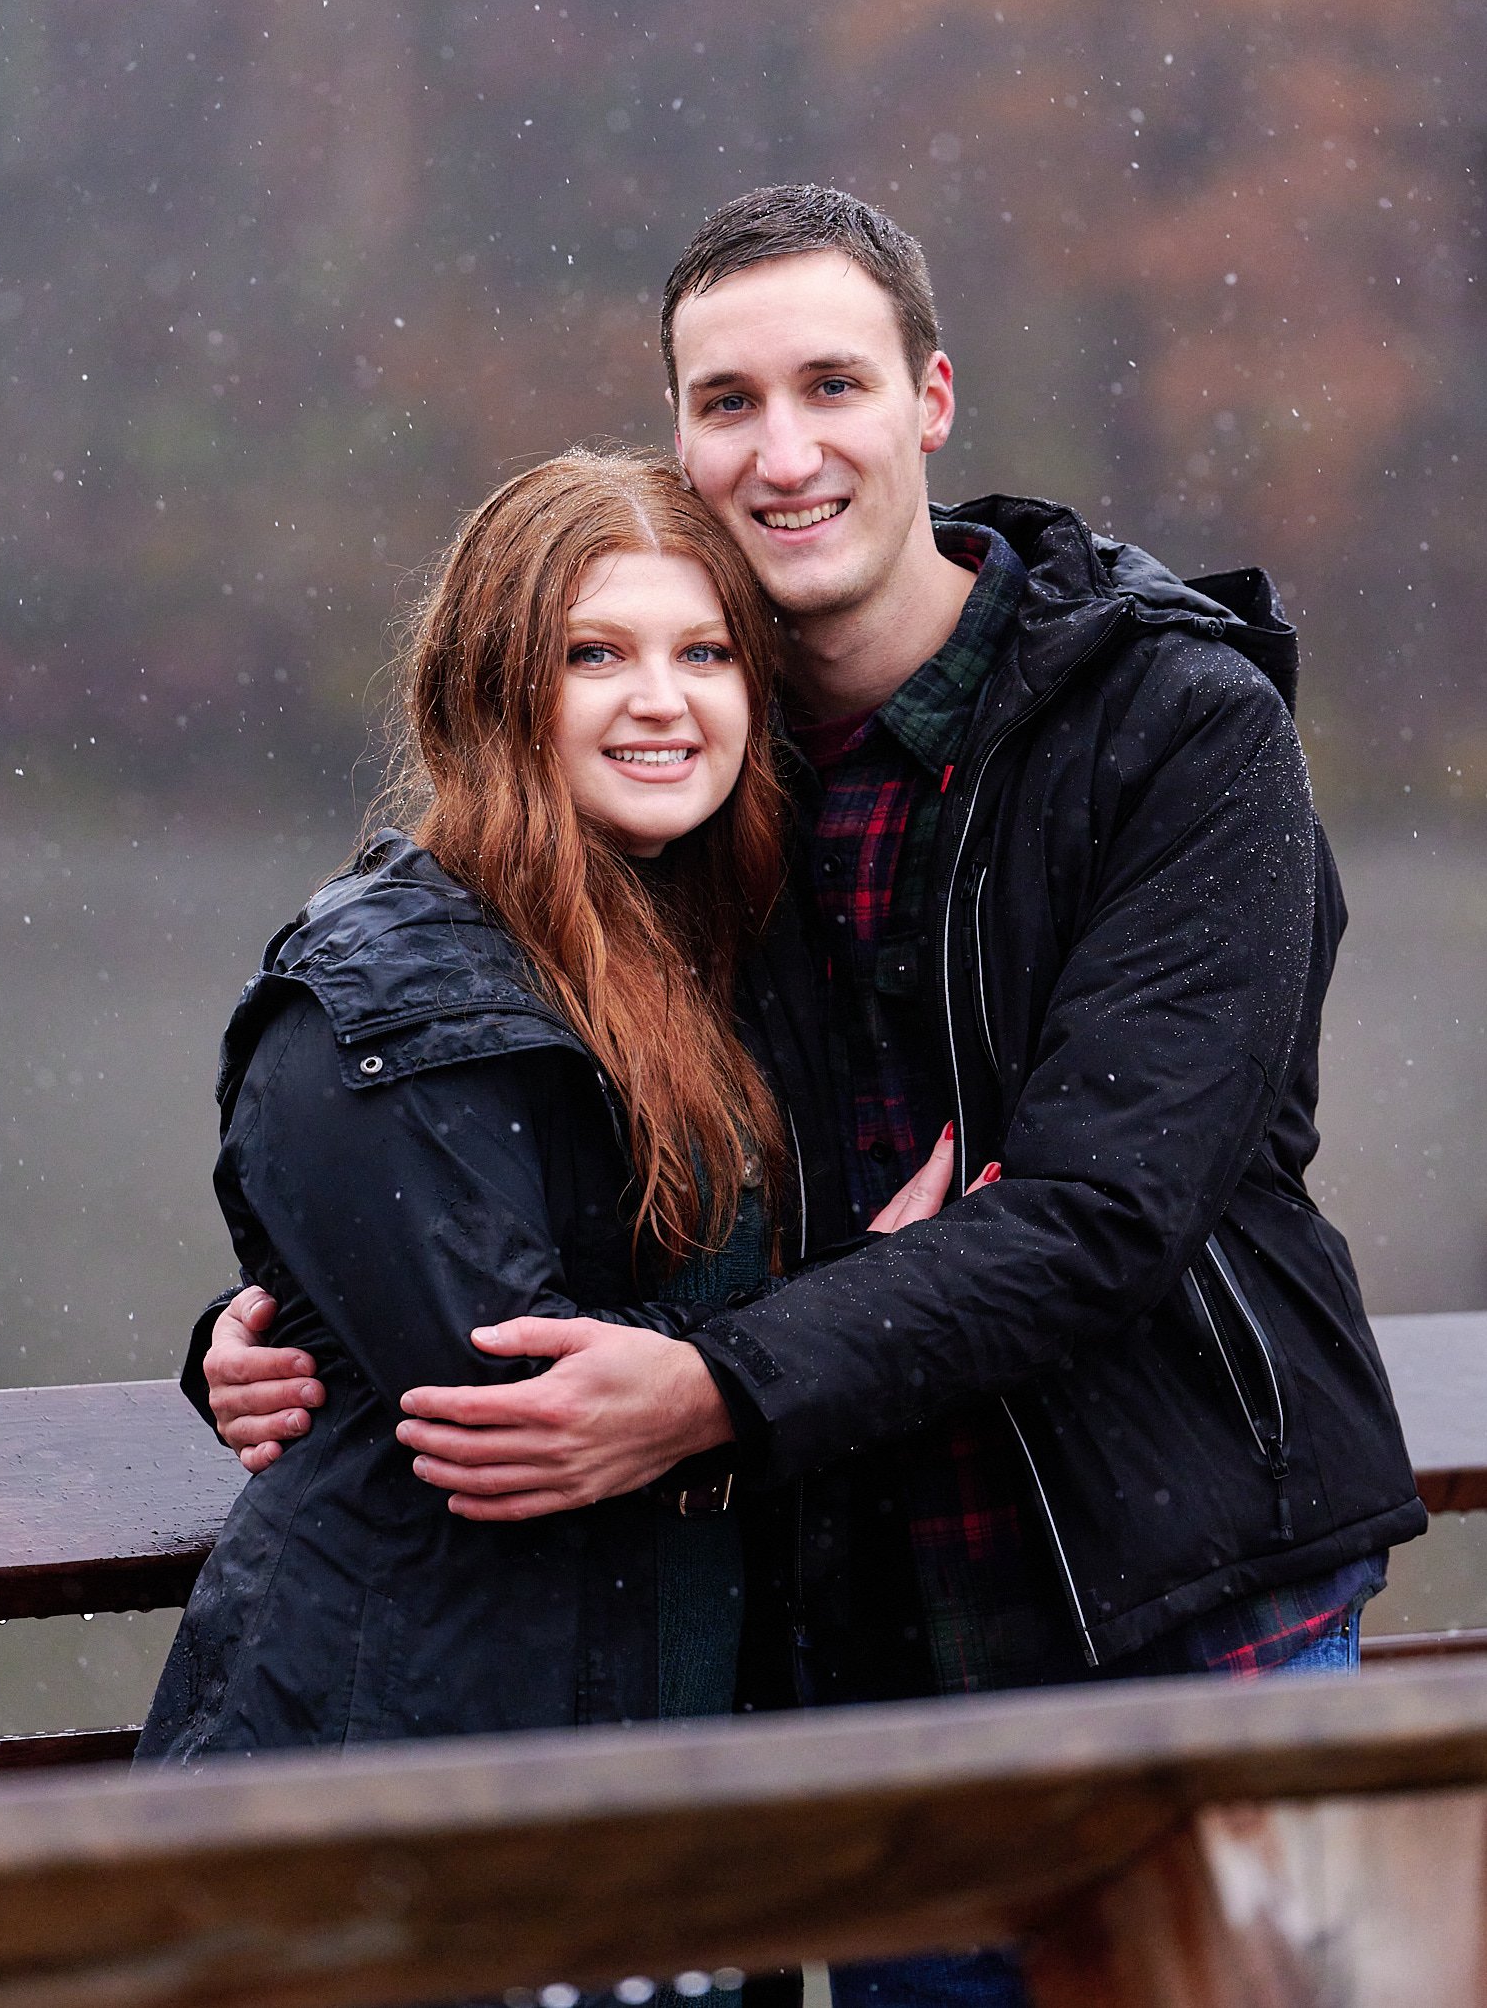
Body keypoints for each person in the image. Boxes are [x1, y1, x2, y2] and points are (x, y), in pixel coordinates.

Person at [197, 190, 1425, 2006]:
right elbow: (485, 1127)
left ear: (930, 398)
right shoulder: (687, 772)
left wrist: (715, 1381)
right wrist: (292, 1319)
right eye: (727, 402)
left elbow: (1102, 1210)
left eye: (832, 384)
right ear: (682, 439)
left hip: (1165, 1620)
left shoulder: (1170, 727)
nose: (785, 451)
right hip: (862, 1652)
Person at [139, 445, 954, 1761]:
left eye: (705, 653)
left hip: (662, 1746)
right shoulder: (383, 988)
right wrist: (876, 1301)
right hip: (407, 1763)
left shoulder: (730, 953)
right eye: (595, 655)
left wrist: (847, 1318)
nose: (660, 702)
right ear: (493, 685)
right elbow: (515, 1397)